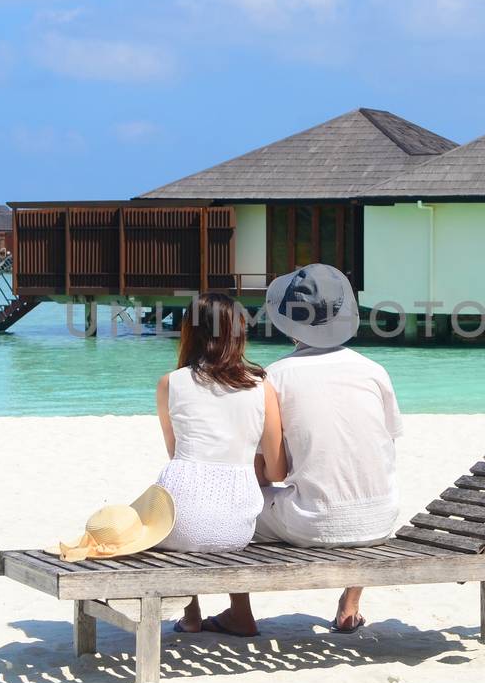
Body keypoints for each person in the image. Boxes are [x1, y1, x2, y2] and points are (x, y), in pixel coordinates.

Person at [216, 263, 404, 637]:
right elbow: (385, 442)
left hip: (314, 521)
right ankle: (350, 607)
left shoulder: (274, 376)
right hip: (381, 516)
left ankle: (240, 614)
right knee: (357, 484)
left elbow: (270, 471)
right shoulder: (373, 370)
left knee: (229, 514)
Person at [156, 292, 287, 636]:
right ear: (238, 333)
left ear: (189, 332)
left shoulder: (171, 383)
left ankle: (191, 615)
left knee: (181, 502)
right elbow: (276, 471)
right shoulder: (261, 387)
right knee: (224, 508)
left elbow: (177, 455)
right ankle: (240, 613)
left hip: (179, 519)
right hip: (237, 527)